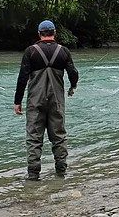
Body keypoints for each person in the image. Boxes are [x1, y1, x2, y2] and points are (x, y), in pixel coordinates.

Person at [14, 20, 79, 180]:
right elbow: (73, 73)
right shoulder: (63, 51)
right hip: (56, 101)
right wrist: (73, 86)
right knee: (59, 136)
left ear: (39, 34)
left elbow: (22, 78)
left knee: (34, 137)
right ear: (54, 33)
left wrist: (17, 101)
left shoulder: (31, 52)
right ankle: (61, 172)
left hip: (35, 102)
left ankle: (33, 175)